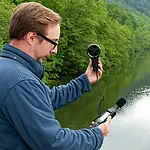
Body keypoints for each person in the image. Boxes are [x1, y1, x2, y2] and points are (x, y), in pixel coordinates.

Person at [0, 2, 111, 150]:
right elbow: (55, 143)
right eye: (54, 42)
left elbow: (47, 98)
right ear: (32, 37)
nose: (55, 51)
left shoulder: (8, 68)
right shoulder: (20, 81)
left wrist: (85, 80)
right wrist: (97, 134)